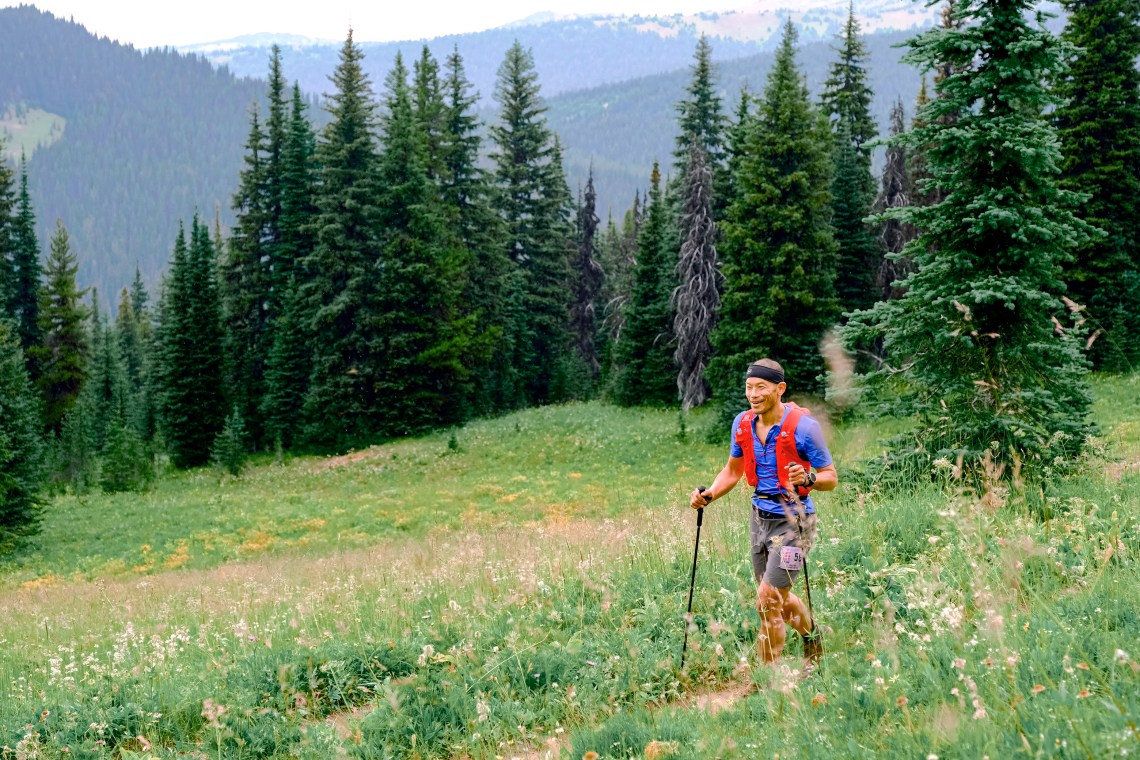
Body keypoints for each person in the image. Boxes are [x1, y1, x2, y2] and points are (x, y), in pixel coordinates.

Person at [690, 358, 837, 672]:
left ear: (780, 389)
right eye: (749, 387)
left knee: (767, 601)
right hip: (760, 519)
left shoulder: (805, 428)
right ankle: (813, 637)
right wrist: (709, 495)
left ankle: (769, 680)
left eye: (761, 387)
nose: (753, 394)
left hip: (796, 523)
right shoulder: (743, 423)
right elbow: (733, 471)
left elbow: (830, 477)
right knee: (774, 598)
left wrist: (809, 478)